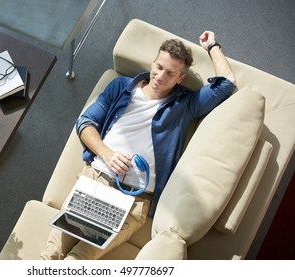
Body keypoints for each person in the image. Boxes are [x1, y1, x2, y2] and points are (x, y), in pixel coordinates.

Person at [40, 31, 236, 260]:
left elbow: (227, 83)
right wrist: (108, 154)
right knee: (51, 253)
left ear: (180, 78)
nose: (160, 76)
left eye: (170, 73)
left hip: (133, 200)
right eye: (159, 66)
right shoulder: (121, 86)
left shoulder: (185, 105)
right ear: (153, 62)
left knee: (78, 259)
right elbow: (85, 123)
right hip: (98, 178)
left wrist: (212, 45)